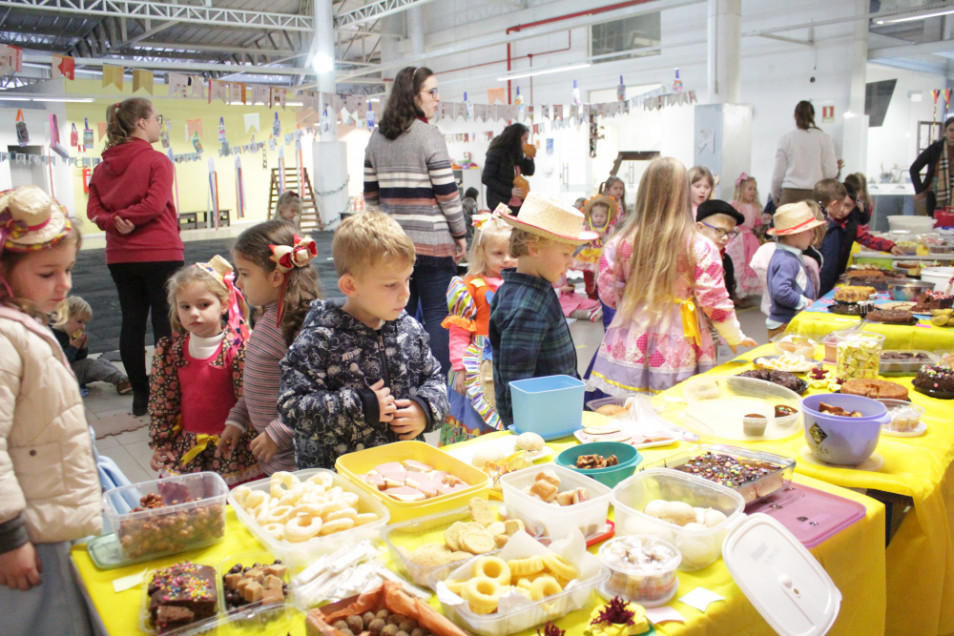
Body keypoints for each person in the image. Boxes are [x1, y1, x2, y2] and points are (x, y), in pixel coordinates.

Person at [0, 186, 101, 636]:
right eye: (47, 273)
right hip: (28, 533)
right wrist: (8, 537)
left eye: (69, 270)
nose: (65, 285)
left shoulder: (24, 323)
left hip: (51, 514)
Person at [279, 212, 448, 470]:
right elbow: (292, 408)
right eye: (391, 284)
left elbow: (435, 378)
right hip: (339, 484)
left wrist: (423, 409)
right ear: (350, 285)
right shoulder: (319, 339)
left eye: (407, 279)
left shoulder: (409, 329)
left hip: (404, 473)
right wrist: (361, 406)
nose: (405, 294)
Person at [587, 158, 756, 397]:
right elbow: (714, 299)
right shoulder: (699, 246)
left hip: (632, 333)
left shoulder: (621, 241)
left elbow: (607, 290)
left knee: (631, 410)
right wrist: (733, 335)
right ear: (682, 193)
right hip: (680, 338)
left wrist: (636, 304)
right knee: (676, 407)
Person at [363, 66, 467, 375]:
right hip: (432, 244)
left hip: (392, 247)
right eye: (432, 92)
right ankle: (437, 385)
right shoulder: (428, 135)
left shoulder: (377, 137)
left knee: (396, 315)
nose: (438, 98)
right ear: (413, 97)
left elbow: (370, 198)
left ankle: (401, 380)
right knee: (437, 315)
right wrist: (461, 234)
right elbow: (448, 194)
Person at [87, 97, 184, 416]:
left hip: (120, 256)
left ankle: (141, 395)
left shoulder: (102, 168)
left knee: (131, 322)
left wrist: (113, 221)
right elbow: (155, 205)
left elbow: (94, 211)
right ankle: (169, 394)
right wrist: (127, 218)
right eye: (157, 118)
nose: (159, 123)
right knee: (165, 324)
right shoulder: (158, 161)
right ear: (141, 123)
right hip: (159, 251)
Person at [217, 221, 321, 475]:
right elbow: (262, 382)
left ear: (276, 277)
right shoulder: (267, 318)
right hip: (276, 460)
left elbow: (319, 395)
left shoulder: (301, 328)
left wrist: (279, 433)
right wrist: (238, 418)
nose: (238, 283)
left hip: (300, 462)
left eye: (244, 273)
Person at [148, 256, 260, 486]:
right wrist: (162, 443)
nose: (194, 314)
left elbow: (251, 401)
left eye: (203, 304)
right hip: (189, 449)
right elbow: (163, 402)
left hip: (233, 448)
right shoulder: (171, 353)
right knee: (192, 512)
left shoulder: (238, 351)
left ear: (224, 304)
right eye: (185, 307)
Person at [490, 193, 598, 426]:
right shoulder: (526, 307)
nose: (571, 263)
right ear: (534, 248)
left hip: (555, 412)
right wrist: (522, 434)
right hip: (541, 425)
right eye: (566, 254)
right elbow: (516, 385)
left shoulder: (534, 290)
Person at [440, 213, 514, 444]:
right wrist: (460, 368)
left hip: (509, 361)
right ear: (482, 252)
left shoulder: (518, 283)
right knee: (475, 412)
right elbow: (459, 332)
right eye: (498, 253)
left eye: (512, 253)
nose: (506, 259)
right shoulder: (470, 286)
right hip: (477, 364)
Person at [817, 179, 900, 295]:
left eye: (848, 206)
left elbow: (867, 239)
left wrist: (890, 246)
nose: (842, 210)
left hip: (834, 276)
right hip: (819, 278)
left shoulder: (850, 226)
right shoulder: (821, 223)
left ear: (854, 206)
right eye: (841, 204)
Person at [764, 202, 828, 338]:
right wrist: (805, 302)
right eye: (809, 230)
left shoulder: (789, 256)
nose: (813, 235)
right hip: (786, 324)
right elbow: (781, 292)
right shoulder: (787, 260)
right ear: (793, 234)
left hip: (788, 322)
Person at [50, 296, 131, 396]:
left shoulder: (69, 333)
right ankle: (121, 380)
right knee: (89, 365)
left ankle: (122, 381)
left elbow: (79, 359)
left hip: (68, 373)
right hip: (56, 376)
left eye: (85, 323)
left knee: (101, 362)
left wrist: (82, 348)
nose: (83, 326)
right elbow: (60, 362)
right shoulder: (52, 336)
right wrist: (74, 347)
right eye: (79, 322)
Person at [771, 100, 840, 206]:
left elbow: (777, 175)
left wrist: (775, 195)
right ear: (813, 116)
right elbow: (831, 173)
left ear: (794, 116)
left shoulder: (786, 139)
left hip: (790, 195)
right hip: (816, 195)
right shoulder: (825, 138)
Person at [696, 199, 745, 308]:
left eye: (729, 232)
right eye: (719, 231)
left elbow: (727, 296)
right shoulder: (690, 258)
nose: (725, 238)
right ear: (700, 228)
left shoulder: (725, 260)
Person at [727, 172, 765, 302]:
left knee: (750, 264)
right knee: (738, 265)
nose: (753, 192)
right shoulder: (735, 205)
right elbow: (729, 221)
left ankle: (744, 292)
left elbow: (756, 223)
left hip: (750, 240)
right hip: (738, 239)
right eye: (749, 189)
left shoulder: (755, 207)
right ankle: (736, 292)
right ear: (741, 189)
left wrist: (764, 220)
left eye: (754, 189)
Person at [483, 123, 536, 215]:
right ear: (515, 138)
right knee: (504, 228)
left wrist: (529, 158)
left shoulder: (516, 154)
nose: (525, 143)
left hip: (518, 203)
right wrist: (510, 191)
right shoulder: (496, 153)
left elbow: (529, 172)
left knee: (517, 228)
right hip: (500, 203)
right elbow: (487, 178)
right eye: (524, 139)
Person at [574, 194, 617, 300]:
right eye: (596, 216)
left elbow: (612, 242)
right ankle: (591, 297)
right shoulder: (587, 227)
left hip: (602, 257)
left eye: (602, 216)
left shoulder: (609, 229)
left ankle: (602, 297)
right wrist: (589, 237)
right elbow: (580, 240)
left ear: (607, 217)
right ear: (591, 216)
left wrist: (604, 237)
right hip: (589, 257)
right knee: (589, 278)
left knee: (602, 278)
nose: (599, 219)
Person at [910, 116, 954, 218]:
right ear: (945, 132)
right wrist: (919, 190)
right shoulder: (935, 149)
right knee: (935, 227)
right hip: (935, 197)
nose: (953, 134)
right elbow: (914, 168)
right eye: (951, 130)